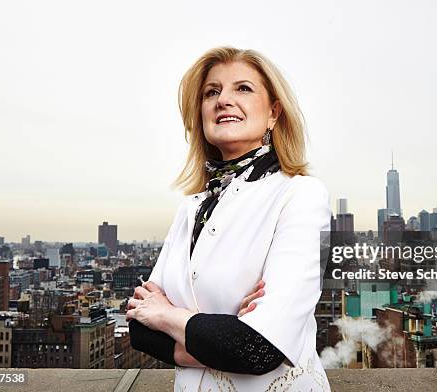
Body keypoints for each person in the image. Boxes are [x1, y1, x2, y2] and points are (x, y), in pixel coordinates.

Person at [127, 46, 331, 391]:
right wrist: (224, 333)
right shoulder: (192, 207)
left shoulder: (300, 194)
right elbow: (138, 329)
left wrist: (165, 315)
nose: (223, 100)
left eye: (243, 88)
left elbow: (258, 350)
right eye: (212, 92)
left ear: (273, 113)